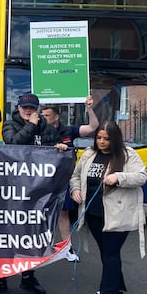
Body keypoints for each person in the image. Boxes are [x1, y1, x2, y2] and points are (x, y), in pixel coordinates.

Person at [0, 92, 70, 294]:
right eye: (25, 108)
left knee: (31, 234)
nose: (28, 111)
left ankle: (28, 277)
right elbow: (13, 144)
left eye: (32, 108)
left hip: (35, 189)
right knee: (5, 233)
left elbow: (52, 149)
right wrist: (31, 125)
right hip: (11, 188)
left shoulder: (47, 127)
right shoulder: (10, 124)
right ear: (18, 108)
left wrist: (59, 148)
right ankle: (0, 278)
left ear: (37, 109)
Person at [70, 121, 146, 294]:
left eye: (107, 139)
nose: (102, 142)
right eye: (99, 138)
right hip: (94, 213)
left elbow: (141, 176)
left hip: (118, 214)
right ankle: (117, 286)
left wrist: (119, 177)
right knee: (106, 252)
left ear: (115, 139)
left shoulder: (128, 155)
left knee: (111, 252)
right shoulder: (89, 154)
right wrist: (75, 189)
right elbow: (75, 176)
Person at [41, 96, 100, 258]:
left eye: (46, 115)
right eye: (42, 115)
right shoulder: (38, 130)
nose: (43, 118)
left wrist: (89, 108)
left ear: (56, 117)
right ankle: (44, 246)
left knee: (63, 213)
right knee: (42, 214)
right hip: (43, 179)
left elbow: (93, 127)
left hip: (64, 178)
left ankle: (67, 248)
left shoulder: (68, 130)